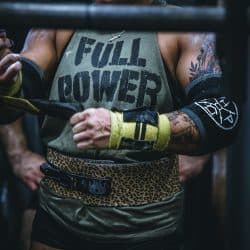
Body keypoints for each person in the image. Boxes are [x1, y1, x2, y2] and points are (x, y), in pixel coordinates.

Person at [0, 0, 240, 249]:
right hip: (58, 219)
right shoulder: (57, 22)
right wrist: (6, 85)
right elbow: (11, 104)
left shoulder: (181, 26)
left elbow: (220, 117)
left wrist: (122, 129)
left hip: (147, 227)